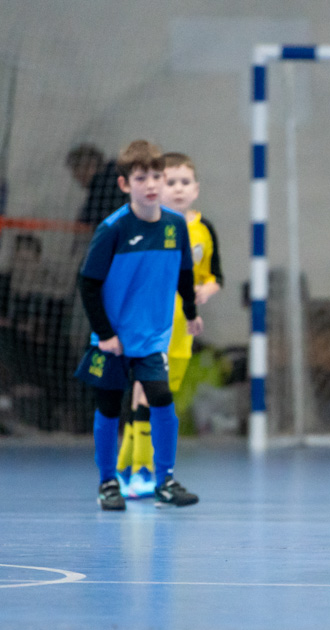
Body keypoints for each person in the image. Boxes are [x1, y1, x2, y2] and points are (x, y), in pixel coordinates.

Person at [73, 139, 202, 511]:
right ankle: (107, 483)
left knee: (161, 399)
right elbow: (88, 283)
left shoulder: (175, 226)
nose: (151, 184)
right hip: (113, 338)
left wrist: (191, 312)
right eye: (141, 177)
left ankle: (165, 480)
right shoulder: (112, 229)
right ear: (124, 184)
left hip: (151, 338)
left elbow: (184, 273)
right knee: (110, 407)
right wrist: (105, 334)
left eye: (157, 177)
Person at [116, 152, 223, 498]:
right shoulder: (147, 226)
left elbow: (214, 276)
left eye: (184, 182)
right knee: (146, 394)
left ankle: (125, 468)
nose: (178, 188)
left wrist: (205, 291)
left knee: (159, 399)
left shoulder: (203, 230)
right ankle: (142, 471)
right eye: (170, 181)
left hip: (182, 331)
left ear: (196, 188)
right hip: (150, 327)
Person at [65, 143, 126, 229]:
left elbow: (89, 220)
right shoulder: (106, 182)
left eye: (76, 169)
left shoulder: (106, 186)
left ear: (90, 165)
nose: (75, 176)